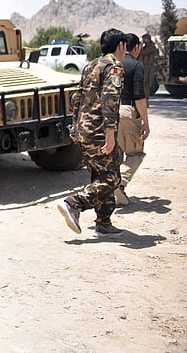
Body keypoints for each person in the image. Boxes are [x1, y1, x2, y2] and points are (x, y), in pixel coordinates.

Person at [57, 28, 128, 238]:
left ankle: (104, 223)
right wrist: (110, 133)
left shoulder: (91, 65)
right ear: (121, 46)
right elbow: (110, 100)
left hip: (84, 131)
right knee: (112, 178)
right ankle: (74, 203)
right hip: (99, 131)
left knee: (100, 174)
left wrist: (75, 126)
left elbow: (77, 97)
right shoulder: (114, 67)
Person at [114, 33, 150, 206]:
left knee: (117, 154)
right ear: (136, 48)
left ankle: (113, 192)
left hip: (110, 112)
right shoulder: (136, 66)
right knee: (136, 153)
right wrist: (145, 122)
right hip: (128, 111)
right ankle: (118, 185)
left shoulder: (112, 64)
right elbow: (139, 97)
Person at [138, 33, 157, 102]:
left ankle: (145, 99)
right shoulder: (144, 47)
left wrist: (140, 46)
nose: (143, 40)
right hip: (143, 66)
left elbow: (143, 52)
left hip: (148, 67)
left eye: (144, 38)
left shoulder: (152, 47)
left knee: (146, 84)